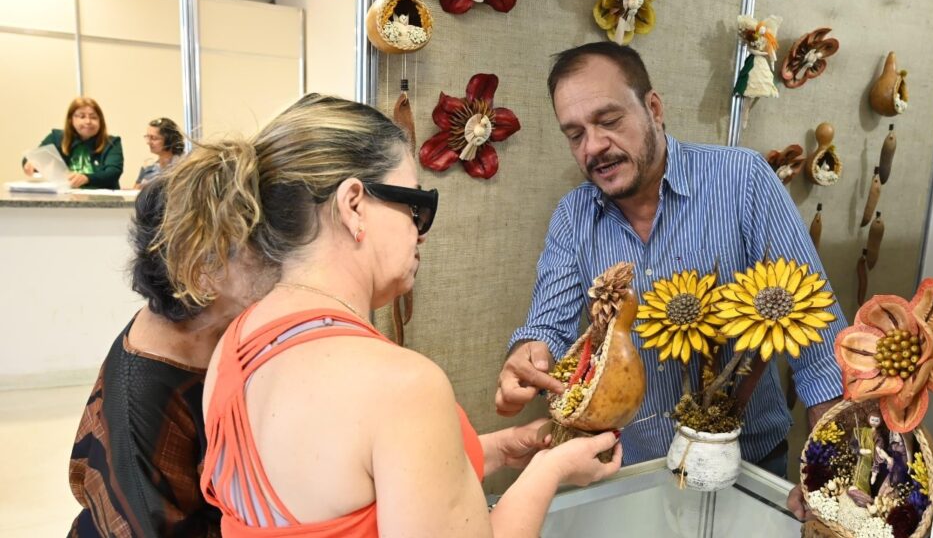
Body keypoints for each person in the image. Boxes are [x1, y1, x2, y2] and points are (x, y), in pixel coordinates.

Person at [156, 94, 620, 537]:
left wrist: (496, 449)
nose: (420, 234)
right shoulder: (402, 385)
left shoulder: (235, 346)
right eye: (415, 206)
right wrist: (550, 470)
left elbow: (341, 486)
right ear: (354, 204)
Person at [494, 42, 848, 477]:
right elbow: (547, 327)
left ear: (654, 108)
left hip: (745, 463)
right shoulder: (573, 217)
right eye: (575, 134)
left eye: (608, 121)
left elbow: (817, 333)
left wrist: (830, 465)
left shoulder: (743, 181)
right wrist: (527, 355)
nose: (594, 147)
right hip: (633, 470)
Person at [68, 179, 277, 537]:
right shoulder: (145, 399)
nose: (277, 255)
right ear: (200, 270)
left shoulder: (213, 324)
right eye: (256, 244)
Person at [23, 97, 124, 189]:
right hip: (64, 200)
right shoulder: (57, 138)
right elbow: (33, 157)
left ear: (100, 121)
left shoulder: (111, 142)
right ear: (71, 120)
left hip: (102, 201)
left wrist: (87, 178)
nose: (88, 121)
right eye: (82, 116)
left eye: (93, 117)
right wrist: (31, 163)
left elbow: (113, 172)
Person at [134, 117, 185, 188]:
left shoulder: (184, 167)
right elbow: (135, 192)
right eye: (147, 137)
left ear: (169, 139)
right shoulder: (148, 168)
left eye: (154, 138)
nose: (148, 142)